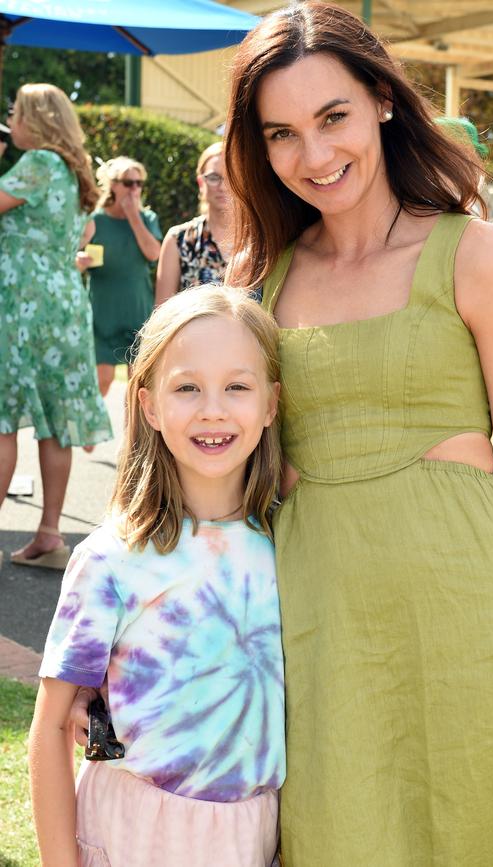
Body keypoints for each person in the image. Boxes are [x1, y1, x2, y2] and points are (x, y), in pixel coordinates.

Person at [221, 4, 493, 864]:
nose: (316, 155)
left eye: (333, 117)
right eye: (282, 134)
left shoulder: (478, 257)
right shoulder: (258, 283)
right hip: (322, 643)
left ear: (381, 100)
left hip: (480, 626)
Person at [29, 285, 284, 867]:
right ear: (148, 406)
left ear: (272, 404)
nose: (213, 409)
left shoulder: (291, 547)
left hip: (253, 835)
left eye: (238, 387)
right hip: (129, 831)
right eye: (187, 387)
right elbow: (47, 731)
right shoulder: (111, 559)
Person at [0, 83, 112, 572]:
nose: (11, 122)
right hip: (64, 302)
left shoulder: (39, 163)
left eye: (16, 114)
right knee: (56, 419)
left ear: (37, 121)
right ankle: (49, 534)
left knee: (3, 416)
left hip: (20, 302)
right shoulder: (74, 171)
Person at [79, 156, 162, 397]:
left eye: (139, 183)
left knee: (137, 388)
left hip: (137, 312)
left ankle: (132, 436)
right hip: (102, 313)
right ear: (113, 184)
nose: (135, 188)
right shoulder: (95, 220)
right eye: (128, 182)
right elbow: (73, 252)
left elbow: (153, 253)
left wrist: (133, 216)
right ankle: (87, 434)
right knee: (100, 382)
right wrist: (80, 260)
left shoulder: (148, 219)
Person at [155, 142, 231, 305]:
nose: (223, 186)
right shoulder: (179, 239)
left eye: (231, 176)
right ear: (201, 183)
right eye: (213, 177)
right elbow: (160, 316)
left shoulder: (262, 240)